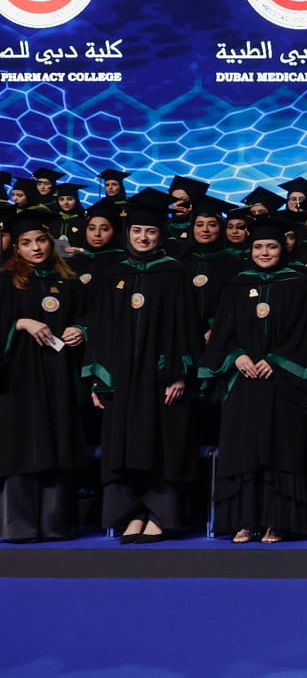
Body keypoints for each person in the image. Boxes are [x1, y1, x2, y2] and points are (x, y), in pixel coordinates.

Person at [82, 191, 200, 542]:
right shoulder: (113, 273)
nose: (143, 238)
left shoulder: (174, 274)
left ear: (161, 235)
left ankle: (159, 515)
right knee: (122, 444)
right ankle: (131, 514)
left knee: (160, 444)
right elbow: (100, 329)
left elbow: (187, 328)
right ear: (127, 234)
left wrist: (179, 373)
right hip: (122, 379)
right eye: (136, 232)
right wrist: (97, 379)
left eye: (150, 232)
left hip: (159, 378)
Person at [201, 218, 307, 542]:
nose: (265, 252)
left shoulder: (300, 283)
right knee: (243, 450)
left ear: (283, 248)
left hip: (285, 383)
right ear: (249, 249)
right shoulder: (237, 286)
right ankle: (244, 521)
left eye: (271, 246)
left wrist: (277, 358)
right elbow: (222, 335)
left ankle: (277, 522)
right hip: (243, 382)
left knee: (280, 448)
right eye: (258, 246)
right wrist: (237, 356)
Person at [0, 210, 88, 541]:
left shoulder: (68, 282)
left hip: (59, 376)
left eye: (40, 240)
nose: (35, 248)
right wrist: (20, 324)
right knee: (20, 445)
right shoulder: (6, 282)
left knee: (57, 441)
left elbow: (87, 317)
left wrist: (81, 330)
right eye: (26, 243)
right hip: (18, 380)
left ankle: (55, 524)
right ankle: (20, 525)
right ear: (16, 248)